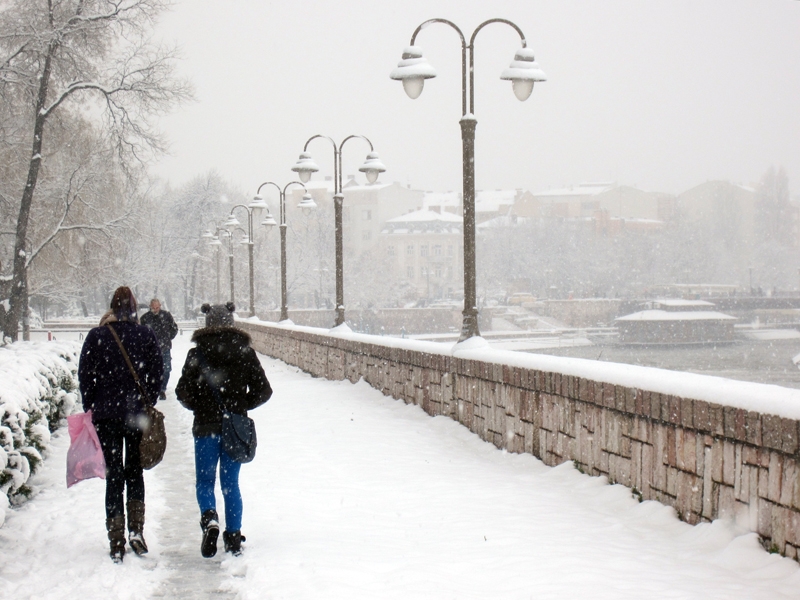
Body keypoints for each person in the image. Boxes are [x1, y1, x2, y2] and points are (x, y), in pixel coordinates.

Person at [176, 302, 272, 557]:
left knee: (205, 482)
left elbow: (181, 392)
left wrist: (199, 407)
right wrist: (241, 406)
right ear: (232, 322)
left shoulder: (196, 355)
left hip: (205, 427)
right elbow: (265, 391)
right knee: (231, 483)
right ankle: (233, 536)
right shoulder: (245, 352)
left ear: (207, 324)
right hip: (234, 427)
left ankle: (209, 519)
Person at [78, 286, 163, 563]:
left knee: (114, 473)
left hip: (106, 416)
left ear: (111, 307)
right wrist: (146, 398)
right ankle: (136, 530)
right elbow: (156, 371)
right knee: (134, 470)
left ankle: (116, 538)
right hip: (135, 414)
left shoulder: (97, 336)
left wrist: (91, 403)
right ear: (134, 307)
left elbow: (85, 374)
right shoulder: (144, 335)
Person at [140, 298, 179, 399]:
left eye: (157, 307)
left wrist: (168, 336)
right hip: (150, 348)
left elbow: (174, 328)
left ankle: (162, 389)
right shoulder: (145, 318)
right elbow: (141, 333)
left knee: (166, 369)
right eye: (153, 307)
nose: (155, 309)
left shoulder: (166, 316)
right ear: (150, 306)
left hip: (165, 347)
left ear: (160, 306)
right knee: (151, 369)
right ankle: (153, 388)